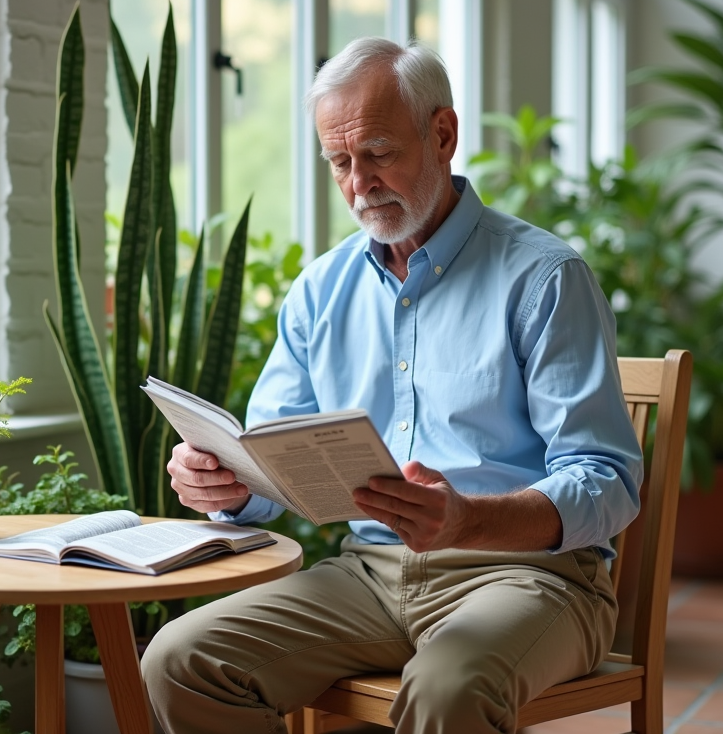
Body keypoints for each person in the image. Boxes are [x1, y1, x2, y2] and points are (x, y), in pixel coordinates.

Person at [140, 36, 643, 734]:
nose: (359, 183)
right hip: (369, 575)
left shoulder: (544, 279)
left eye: (378, 153)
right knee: (180, 660)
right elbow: (272, 459)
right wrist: (228, 484)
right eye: (339, 162)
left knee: (447, 689)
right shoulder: (321, 289)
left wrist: (469, 519)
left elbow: (608, 482)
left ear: (444, 135)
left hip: (534, 576)